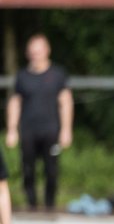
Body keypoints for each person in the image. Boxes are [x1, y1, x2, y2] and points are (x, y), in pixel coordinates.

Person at [5, 34, 72, 211]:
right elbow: (15, 102)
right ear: (28, 53)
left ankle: (50, 206)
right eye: (32, 52)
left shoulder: (57, 74)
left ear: (47, 51)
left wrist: (66, 129)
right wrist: (12, 129)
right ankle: (32, 206)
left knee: (51, 171)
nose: (36, 55)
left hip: (51, 130)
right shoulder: (22, 76)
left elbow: (65, 102)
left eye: (39, 51)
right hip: (28, 130)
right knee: (28, 171)